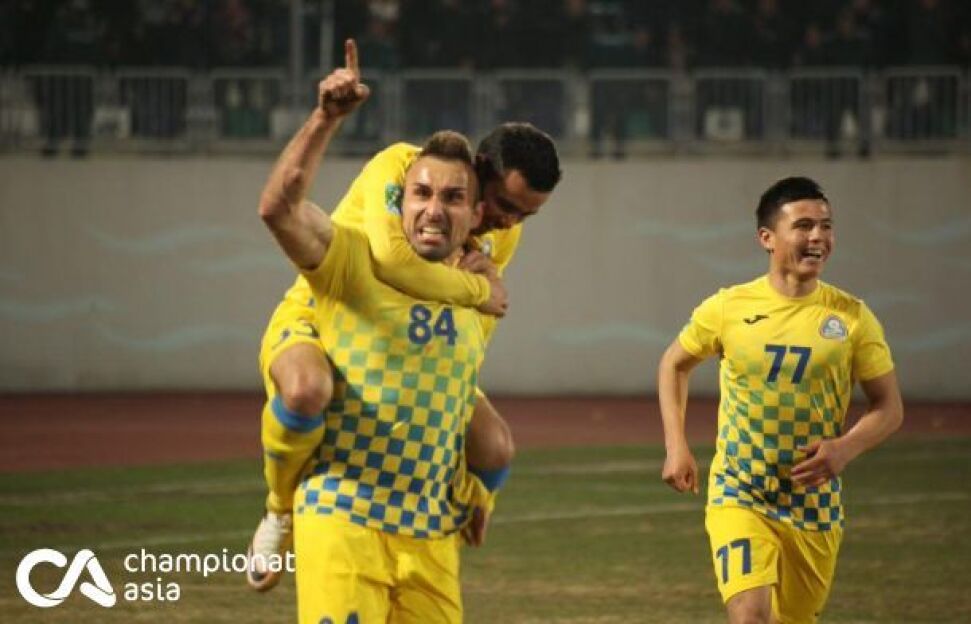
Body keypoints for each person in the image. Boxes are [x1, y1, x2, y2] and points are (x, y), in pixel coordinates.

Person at [248, 39, 562, 592]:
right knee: (304, 389)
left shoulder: (497, 234)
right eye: (506, 205)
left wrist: (476, 482)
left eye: (525, 216)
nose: (510, 223)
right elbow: (394, 261)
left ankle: (460, 513)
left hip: (403, 349)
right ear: (478, 172)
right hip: (326, 313)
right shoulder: (404, 168)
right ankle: (279, 509)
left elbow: (471, 325)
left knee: (494, 447)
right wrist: (476, 287)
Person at [657, 176, 903, 624]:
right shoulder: (729, 308)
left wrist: (844, 448)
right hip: (740, 492)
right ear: (767, 238)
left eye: (826, 226)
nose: (818, 237)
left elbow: (889, 407)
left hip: (814, 505)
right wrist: (676, 445)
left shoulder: (852, 317)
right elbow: (674, 364)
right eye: (804, 226)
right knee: (751, 616)